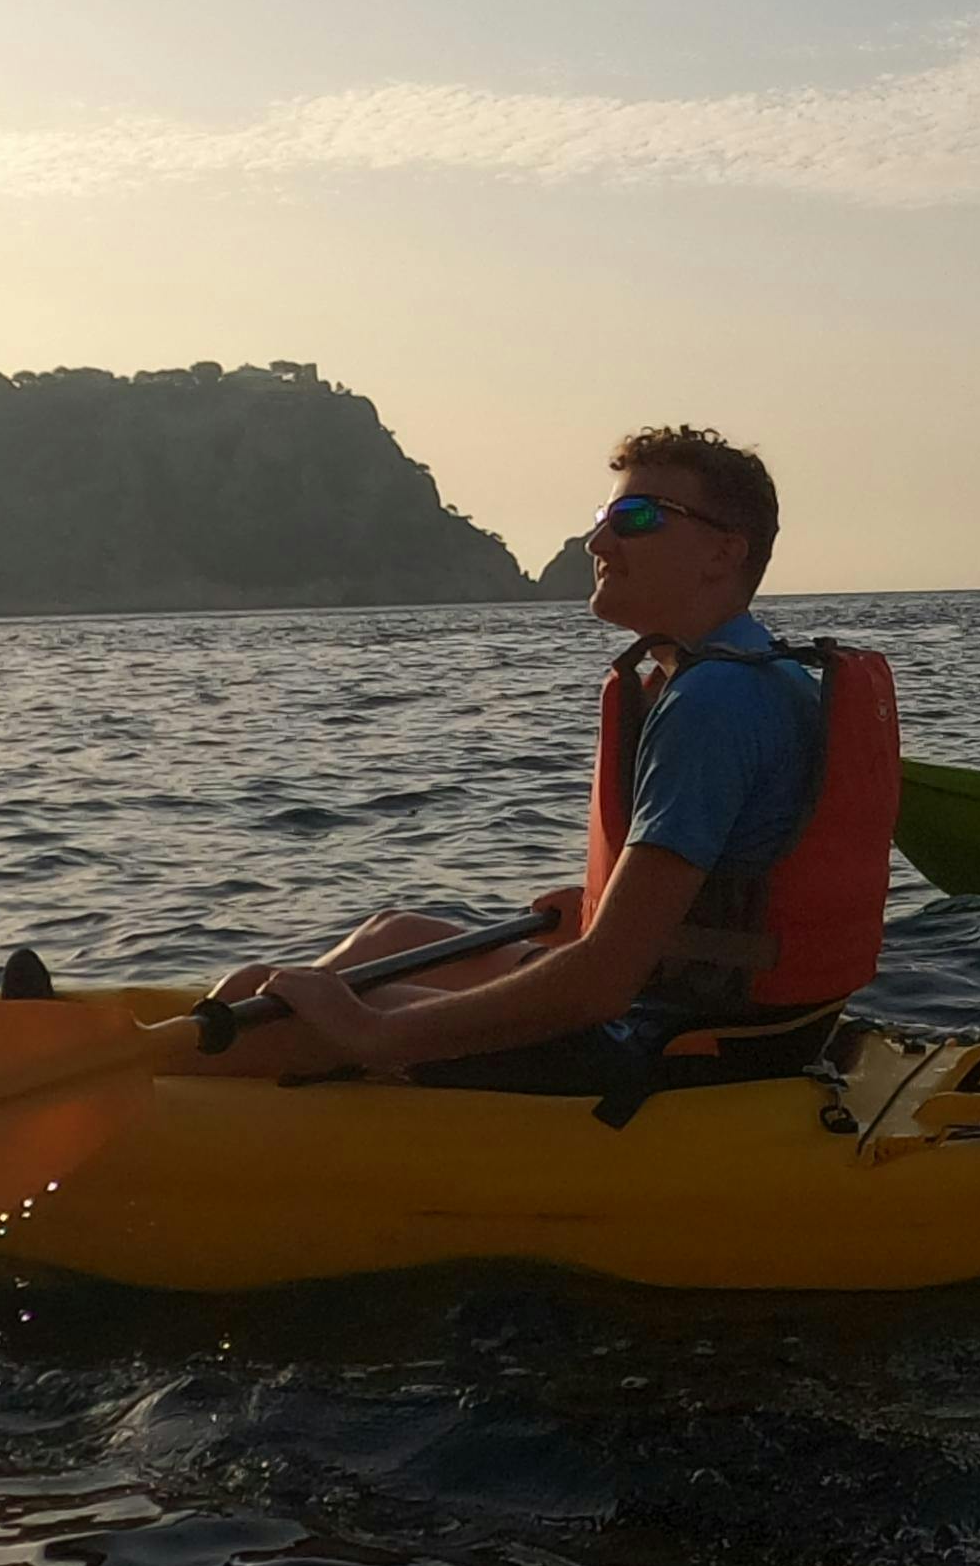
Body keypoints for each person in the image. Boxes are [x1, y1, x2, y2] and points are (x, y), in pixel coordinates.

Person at [191, 424, 895, 1105]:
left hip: (682, 1043)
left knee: (259, 998)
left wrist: (371, 1032)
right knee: (393, 935)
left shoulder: (714, 699)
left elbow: (600, 985)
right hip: (746, 1019)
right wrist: (600, 908)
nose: (598, 541)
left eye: (638, 517)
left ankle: (194, 1103)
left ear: (722, 553)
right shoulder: (751, 672)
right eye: (605, 516)